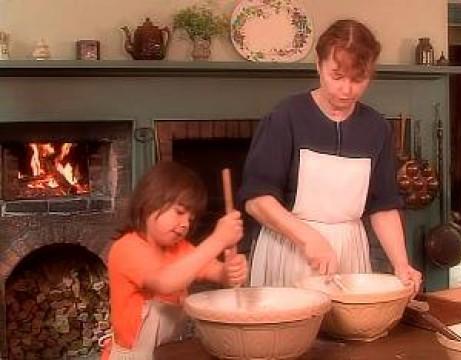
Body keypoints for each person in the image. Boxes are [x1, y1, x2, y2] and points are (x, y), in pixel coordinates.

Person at [238, 19, 422, 294]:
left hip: (350, 252)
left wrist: (401, 263)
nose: (346, 90)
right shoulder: (286, 117)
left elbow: (383, 205)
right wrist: (307, 237)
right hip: (288, 248)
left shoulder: (377, 128)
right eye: (337, 76)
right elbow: (256, 200)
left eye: (358, 80)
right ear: (319, 66)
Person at [102, 161, 247, 360]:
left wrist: (230, 271)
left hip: (165, 354)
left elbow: (218, 272)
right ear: (149, 202)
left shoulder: (181, 249)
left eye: (190, 218)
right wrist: (218, 239)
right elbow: (165, 282)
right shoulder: (128, 247)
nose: (185, 224)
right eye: (179, 212)